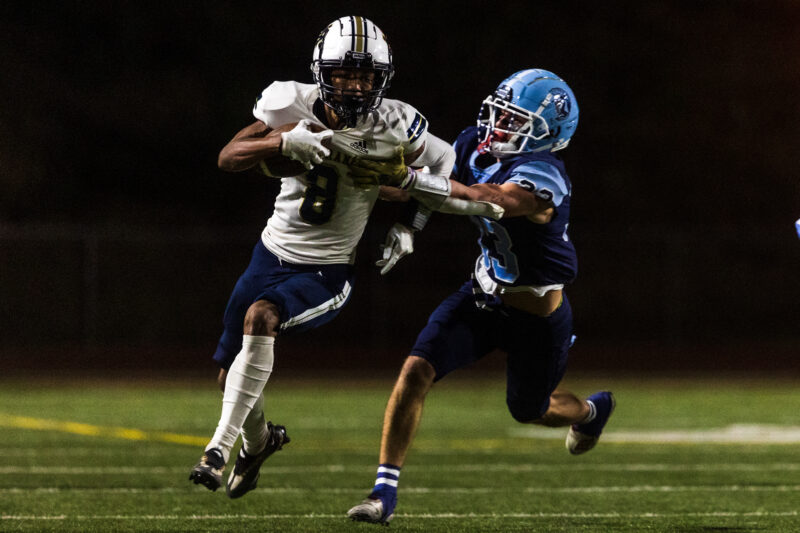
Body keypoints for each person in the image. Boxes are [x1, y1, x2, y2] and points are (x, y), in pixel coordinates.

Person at [188, 15, 502, 499]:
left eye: (365, 76)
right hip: (269, 254)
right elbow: (228, 157)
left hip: (327, 269)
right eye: (344, 74)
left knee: (261, 318)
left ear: (381, 80)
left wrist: (409, 224)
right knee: (230, 374)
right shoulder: (287, 103)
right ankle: (259, 442)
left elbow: (443, 163)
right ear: (322, 73)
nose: (355, 86)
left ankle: (216, 451)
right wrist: (280, 140)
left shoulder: (396, 123)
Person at [346, 69, 616, 525]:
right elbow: (429, 185)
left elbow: (484, 198)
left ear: (548, 133)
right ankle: (382, 493)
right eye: (500, 114)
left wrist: (407, 179)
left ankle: (591, 411)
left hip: (537, 320)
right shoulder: (473, 144)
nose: (499, 125)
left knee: (530, 410)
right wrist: (366, 182)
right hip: (481, 294)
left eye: (515, 120)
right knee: (416, 370)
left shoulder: (545, 175)